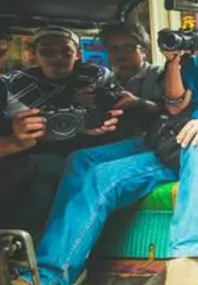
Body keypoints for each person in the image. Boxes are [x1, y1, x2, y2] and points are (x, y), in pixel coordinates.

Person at [12, 16, 198, 285]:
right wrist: (174, 61)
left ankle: (188, 255)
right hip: (170, 139)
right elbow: (173, 104)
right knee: (84, 163)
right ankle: (62, 256)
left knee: (193, 142)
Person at [0, 26, 121, 236]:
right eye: (47, 51)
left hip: (84, 157)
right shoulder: (12, 85)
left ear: (78, 54)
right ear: (33, 55)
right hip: (29, 161)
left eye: (65, 51)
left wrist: (102, 110)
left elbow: (122, 111)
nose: (57, 58)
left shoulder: (96, 78)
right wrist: (15, 140)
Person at [100, 22, 165, 138]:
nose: (120, 54)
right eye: (113, 49)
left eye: (129, 48)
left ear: (144, 51)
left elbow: (174, 110)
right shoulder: (106, 81)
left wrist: (140, 103)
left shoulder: (161, 74)